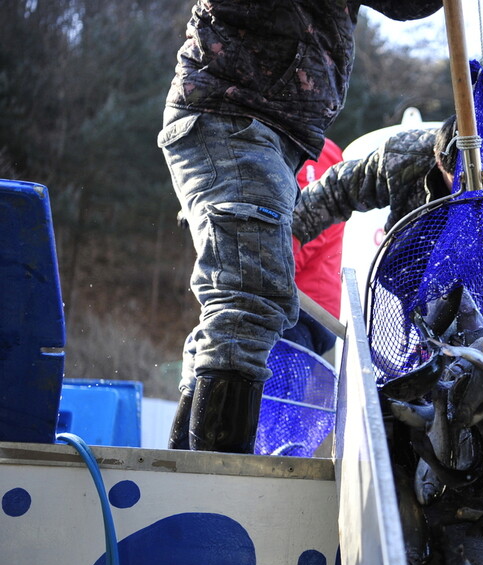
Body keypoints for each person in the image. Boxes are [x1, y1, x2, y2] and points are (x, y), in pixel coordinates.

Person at [160, 1, 443, 453]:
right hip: (232, 112)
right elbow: (327, 200)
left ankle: (190, 468)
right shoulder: (397, 157)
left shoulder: (322, 159)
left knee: (247, 301)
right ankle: (210, 481)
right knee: (250, 295)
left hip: (275, 135)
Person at [292, 115, 459, 246]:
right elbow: (336, 190)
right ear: (438, 160)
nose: (462, 187)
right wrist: (293, 233)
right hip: (411, 266)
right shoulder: (404, 157)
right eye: (456, 180)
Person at [282, 139, 346, 357]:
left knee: (279, 389)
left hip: (303, 306)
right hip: (292, 301)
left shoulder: (311, 148)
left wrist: (272, 274)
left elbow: (310, 229)